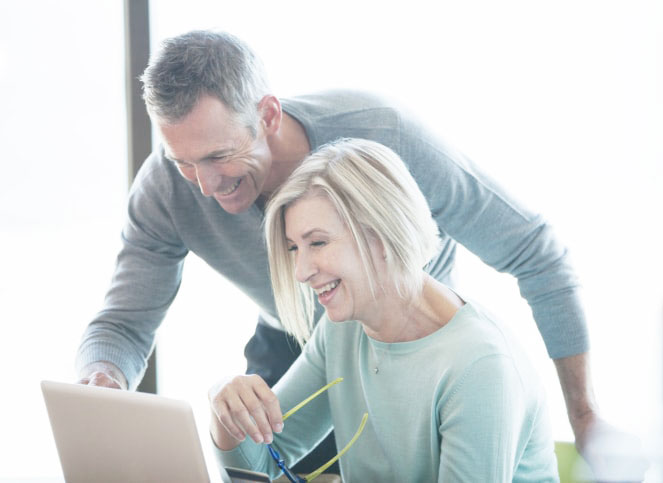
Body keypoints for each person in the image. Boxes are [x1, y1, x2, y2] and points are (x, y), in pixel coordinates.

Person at [74, 29, 617, 475]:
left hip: (415, 326)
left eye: (219, 156)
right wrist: (116, 391)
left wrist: (585, 414)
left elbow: (535, 253)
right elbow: (125, 326)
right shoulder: (171, 189)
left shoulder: (385, 138)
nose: (204, 186)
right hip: (323, 328)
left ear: (266, 115)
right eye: (184, 161)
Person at [209, 138, 559, 481]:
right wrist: (226, 408)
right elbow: (262, 464)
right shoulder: (342, 330)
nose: (301, 272)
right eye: (294, 249)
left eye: (317, 242)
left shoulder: (479, 366)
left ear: (381, 235)